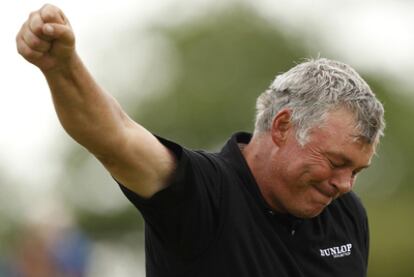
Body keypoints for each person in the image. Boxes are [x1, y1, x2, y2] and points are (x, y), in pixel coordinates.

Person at [16, 4, 385, 277]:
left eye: (357, 170)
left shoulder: (346, 214)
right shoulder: (204, 194)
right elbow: (115, 137)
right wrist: (62, 67)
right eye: (337, 162)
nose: (344, 184)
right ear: (283, 126)